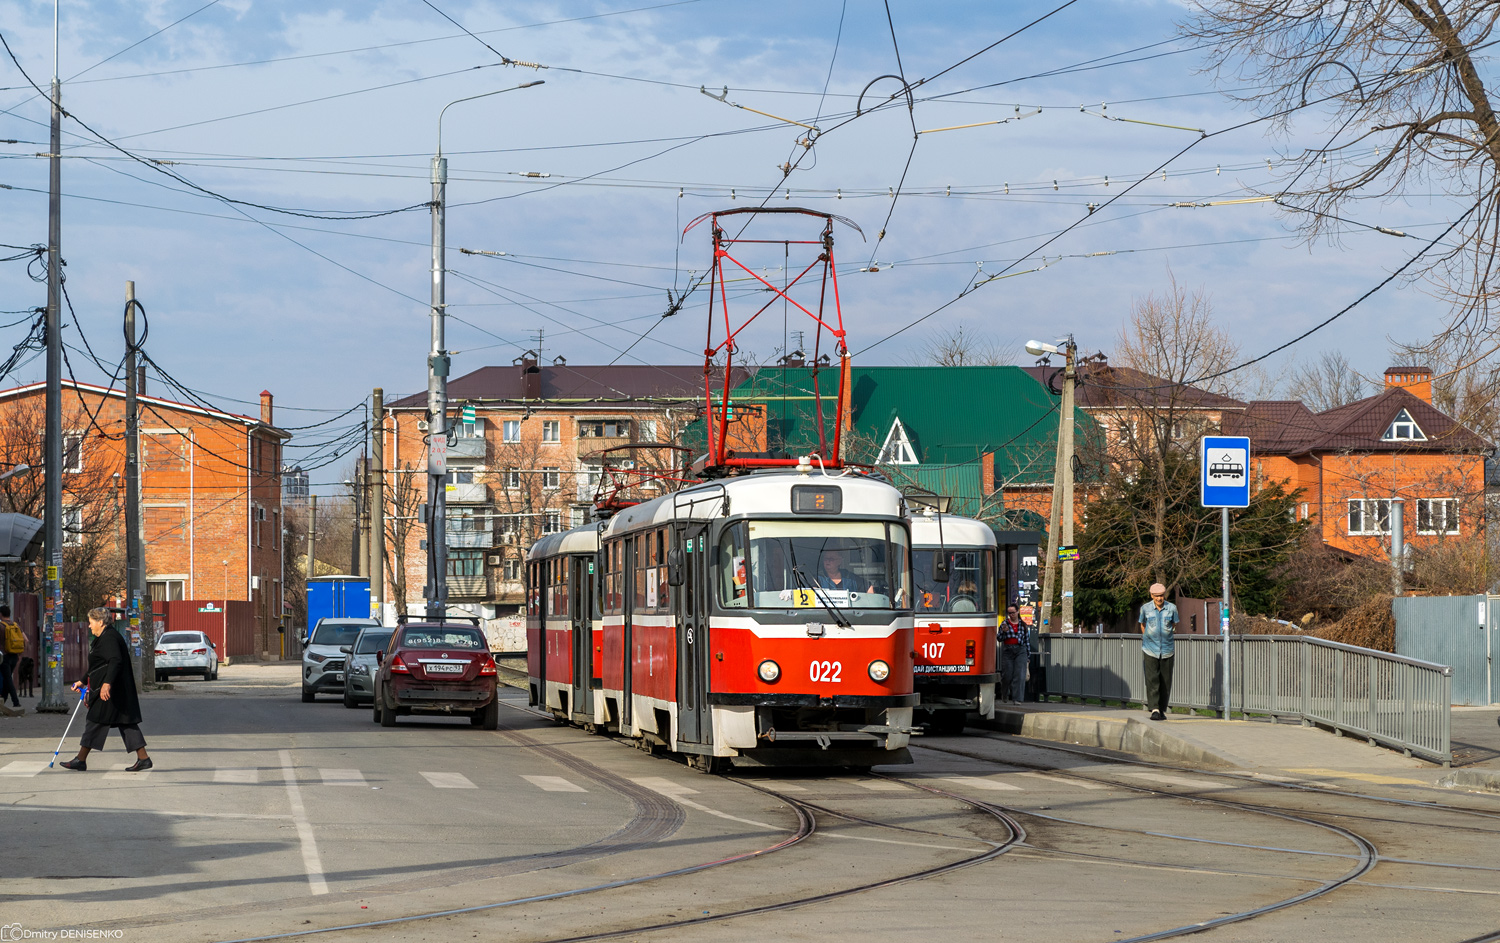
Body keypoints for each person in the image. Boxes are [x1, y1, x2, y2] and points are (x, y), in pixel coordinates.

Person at [58, 607, 152, 772]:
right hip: (114, 688)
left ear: (100, 622)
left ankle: (80, 760)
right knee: (125, 722)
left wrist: (107, 684)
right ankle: (143, 758)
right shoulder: (104, 637)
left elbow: (115, 660)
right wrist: (82, 681)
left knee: (96, 719)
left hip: (112, 689)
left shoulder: (109, 638)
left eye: (91, 622)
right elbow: (98, 664)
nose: (89, 626)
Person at [1138, 583, 1179, 721]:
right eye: (1156, 596)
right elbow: (1142, 624)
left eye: (1161, 596)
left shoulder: (1172, 608)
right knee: (1152, 679)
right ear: (1151, 596)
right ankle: (1154, 709)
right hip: (1150, 649)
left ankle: (1162, 709)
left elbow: (1174, 624)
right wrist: (1148, 637)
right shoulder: (1145, 608)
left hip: (1167, 649)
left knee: (1165, 681)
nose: (1159, 599)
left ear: (1164, 595)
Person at [998, 605, 1029, 703]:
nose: (1011, 615)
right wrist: (1003, 632)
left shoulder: (1023, 625)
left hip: (1021, 650)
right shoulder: (1004, 624)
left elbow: (1026, 641)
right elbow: (999, 638)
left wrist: (1028, 656)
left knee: (1019, 675)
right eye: (1009, 613)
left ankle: (1017, 699)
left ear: (1017, 612)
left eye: (1013, 612)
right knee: (1007, 675)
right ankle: (1004, 693)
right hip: (1008, 650)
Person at [0, 604, 22, 708]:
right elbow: (25, 640)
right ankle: (3, 701)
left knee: (8, 680)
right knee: (6, 679)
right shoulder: (16, 625)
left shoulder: (1, 626)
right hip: (14, 656)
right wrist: (19, 654)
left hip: (4, 656)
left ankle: (16, 702)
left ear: (0, 614)